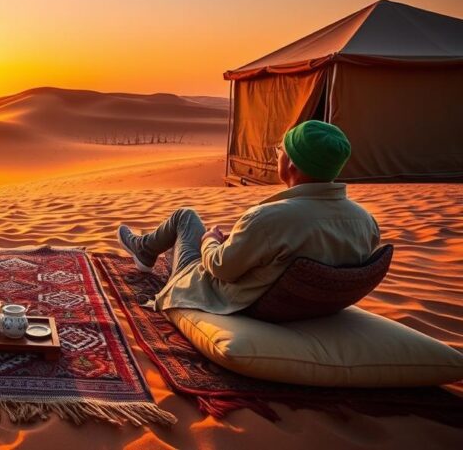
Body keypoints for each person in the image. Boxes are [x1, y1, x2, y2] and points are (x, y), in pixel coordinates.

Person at [116, 120, 380, 315]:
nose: (277, 155)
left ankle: (144, 251)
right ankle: (146, 250)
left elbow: (220, 268)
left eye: (281, 150)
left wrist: (209, 241)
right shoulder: (366, 222)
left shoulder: (269, 218)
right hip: (306, 305)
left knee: (185, 217)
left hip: (237, 301)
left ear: (292, 165)